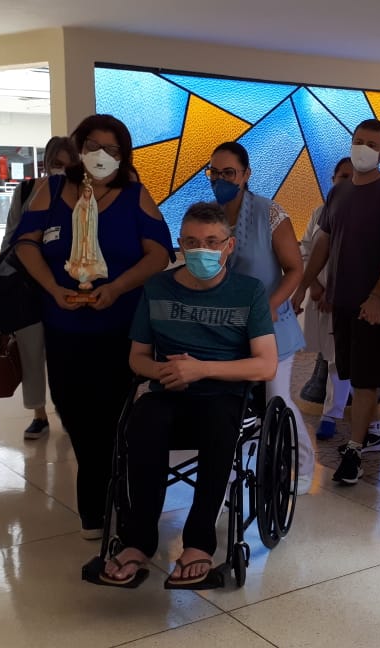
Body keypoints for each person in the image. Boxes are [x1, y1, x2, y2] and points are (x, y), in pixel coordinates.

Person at [12, 114, 173, 539]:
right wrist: (51, 288)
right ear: (79, 147)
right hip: (64, 328)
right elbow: (25, 243)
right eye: (94, 146)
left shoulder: (134, 196)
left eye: (113, 149)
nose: (102, 155)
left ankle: (105, 504)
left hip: (121, 329)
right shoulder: (51, 191)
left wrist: (117, 288)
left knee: (116, 417)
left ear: (124, 155)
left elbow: (159, 253)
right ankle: (100, 490)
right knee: (76, 414)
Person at [101, 202, 277, 590]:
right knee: (143, 422)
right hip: (168, 390)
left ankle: (198, 543)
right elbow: (137, 358)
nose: (202, 250)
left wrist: (201, 369)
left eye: (212, 242)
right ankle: (137, 540)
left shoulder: (248, 292)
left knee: (218, 425)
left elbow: (266, 365)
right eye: (193, 242)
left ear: (229, 246)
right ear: (180, 245)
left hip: (223, 394)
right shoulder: (157, 287)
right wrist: (166, 372)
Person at [292, 119, 380, 486]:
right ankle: (363, 435)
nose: (364, 149)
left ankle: (355, 451)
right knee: (346, 373)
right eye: (359, 141)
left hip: (369, 307)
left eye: (372, 144)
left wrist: (377, 297)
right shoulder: (339, 193)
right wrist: (304, 287)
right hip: (339, 303)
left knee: (365, 379)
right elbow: (323, 243)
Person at [207, 142, 314, 492]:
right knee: (231, 403)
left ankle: (303, 465)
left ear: (246, 175)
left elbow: (294, 269)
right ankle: (235, 467)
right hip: (228, 329)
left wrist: (270, 304)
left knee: (276, 398)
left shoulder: (270, 213)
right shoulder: (210, 217)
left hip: (271, 325)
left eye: (229, 173)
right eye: (214, 172)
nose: (221, 179)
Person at [298, 157, 380, 445]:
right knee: (332, 357)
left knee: (356, 363)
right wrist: (314, 286)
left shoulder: (373, 212)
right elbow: (307, 251)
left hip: (354, 301)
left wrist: (336, 294)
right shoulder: (320, 212)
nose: (348, 181)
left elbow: (365, 260)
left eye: (353, 176)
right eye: (343, 176)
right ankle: (334, 413)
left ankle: (350, 418)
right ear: (333, 180)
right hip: (322, 298)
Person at [0, 136, 79, 440]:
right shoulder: (27, 191)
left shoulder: (81, 193)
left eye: (68, 165)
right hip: (28, 289)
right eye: (56, 164)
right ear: (46, 164)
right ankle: (38, 414)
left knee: (65, 354)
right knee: (31, 352)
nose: (61, 170)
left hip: (68, 285)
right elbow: (11, 237)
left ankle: (67, 410)